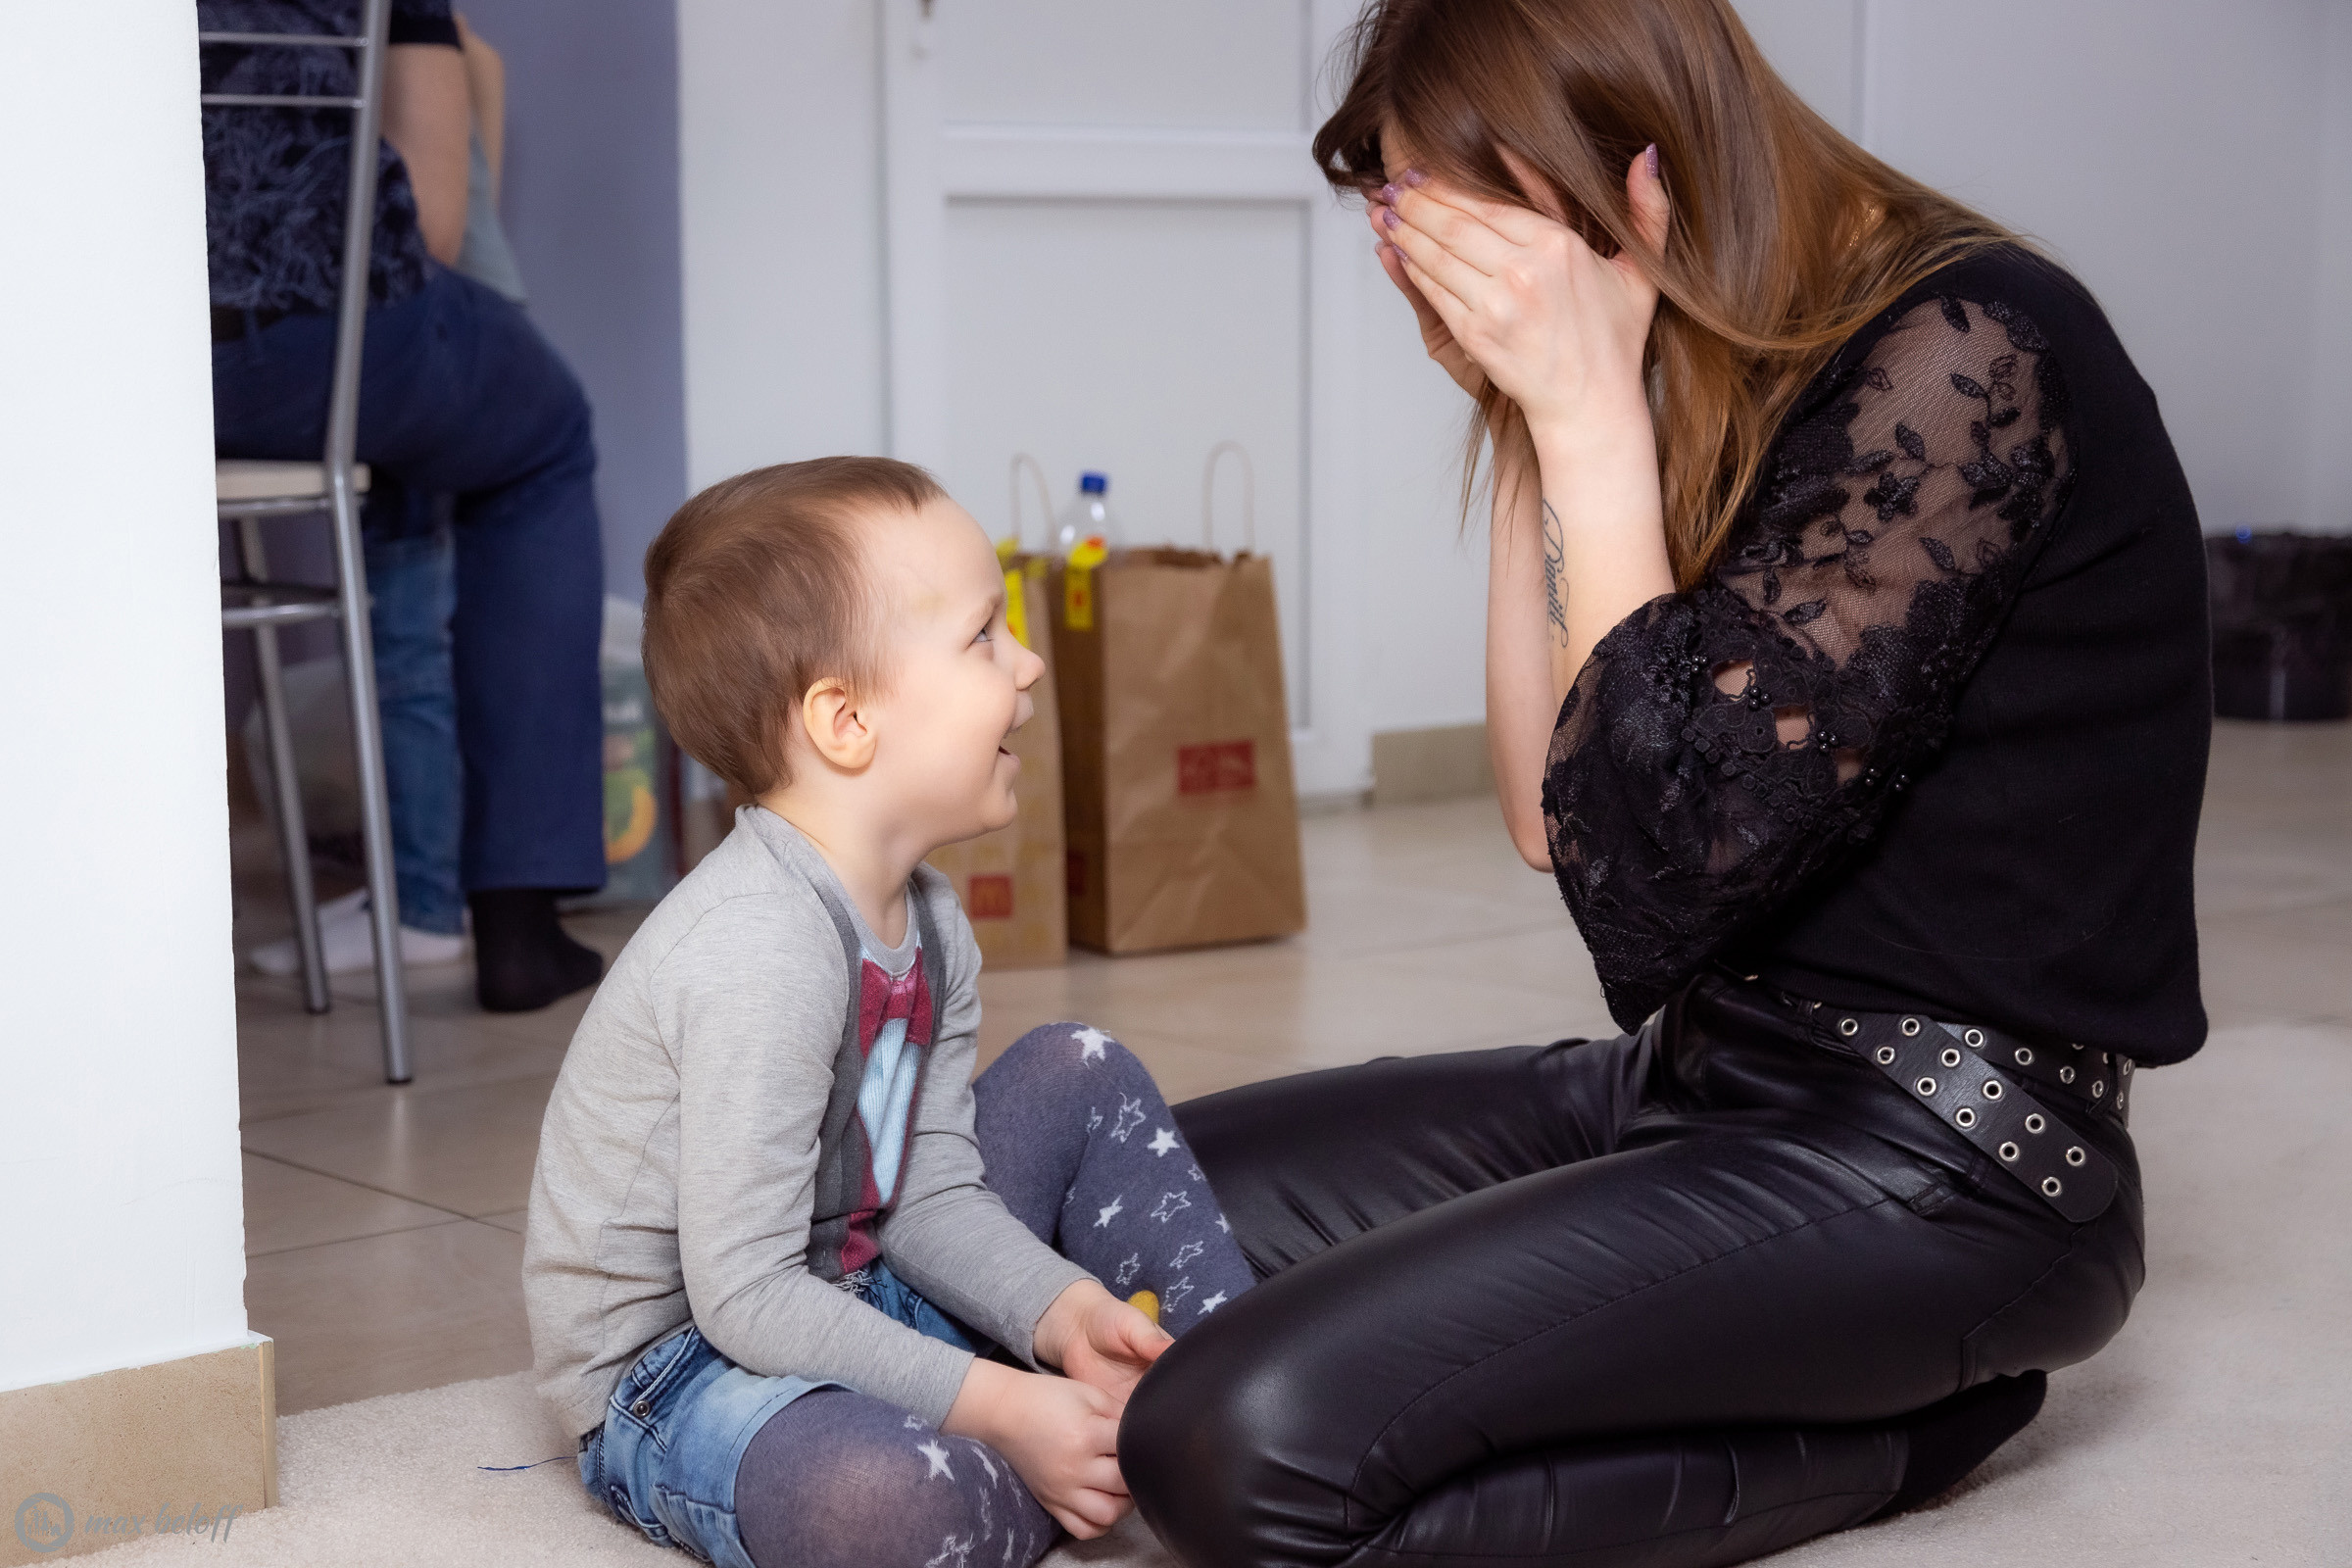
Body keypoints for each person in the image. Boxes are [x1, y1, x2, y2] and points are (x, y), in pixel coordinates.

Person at [1117, 2, 2209, 1565]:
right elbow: (1547, 817)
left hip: (1950, 1161)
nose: (1455, 272)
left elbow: (1669, 863)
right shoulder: (1684, 358)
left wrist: (1580, 417)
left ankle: (1898, 1436)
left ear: (1623, 164)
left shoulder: (1971, 350)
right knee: (1088, 1207)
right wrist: (1525, 407)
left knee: (1230, 1445)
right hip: (1697, 1084)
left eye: (1471, 218)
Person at [520, 458, 1255, 1568]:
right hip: (685, 1362)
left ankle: (1254, 1404)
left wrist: (1058, 1313)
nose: (1031, 664)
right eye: (984, 637)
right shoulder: (758, 948)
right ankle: (1101, 1455)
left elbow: (921, 1194)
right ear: (845, 720)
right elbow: (746, 1298)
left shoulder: (932, 919)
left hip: (851, 1274)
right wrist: (1007, 1408)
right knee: (874, 1504)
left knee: (1078, 1067)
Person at [204, 0, 606, 1011]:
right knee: (546, 431)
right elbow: (430, 224)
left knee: (401, 594)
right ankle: (514, 912)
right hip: (302, 330)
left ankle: (421, 901)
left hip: (109, 344)